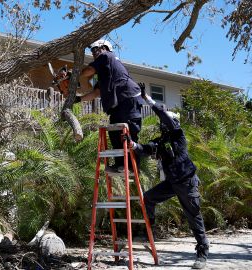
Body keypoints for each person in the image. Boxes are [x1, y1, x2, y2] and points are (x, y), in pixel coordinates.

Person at [128, 88, 209, 269]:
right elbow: (146, 149)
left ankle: (202, 254)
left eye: (167, 122)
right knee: (148, 198)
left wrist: (147, 99)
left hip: (187, 183)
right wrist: (132, 144)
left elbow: (163, 116)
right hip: (172, 183)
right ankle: (150, 232)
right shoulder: (161, 140)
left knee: (194, 217)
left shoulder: (178, 135)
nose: (163, 125)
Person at [79, 39, 143, 172]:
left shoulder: (107, 56)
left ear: (105, 48)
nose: (95, 53)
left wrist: (76, 75)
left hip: (128, 99)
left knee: (129, 133)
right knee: (115, 133)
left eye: (96, 49)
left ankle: (132, 166)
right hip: (118, 105)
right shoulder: (105, 73)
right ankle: (121, 164)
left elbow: (89, 70)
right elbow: (96, 93)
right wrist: (78, 100)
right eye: (92, 51)